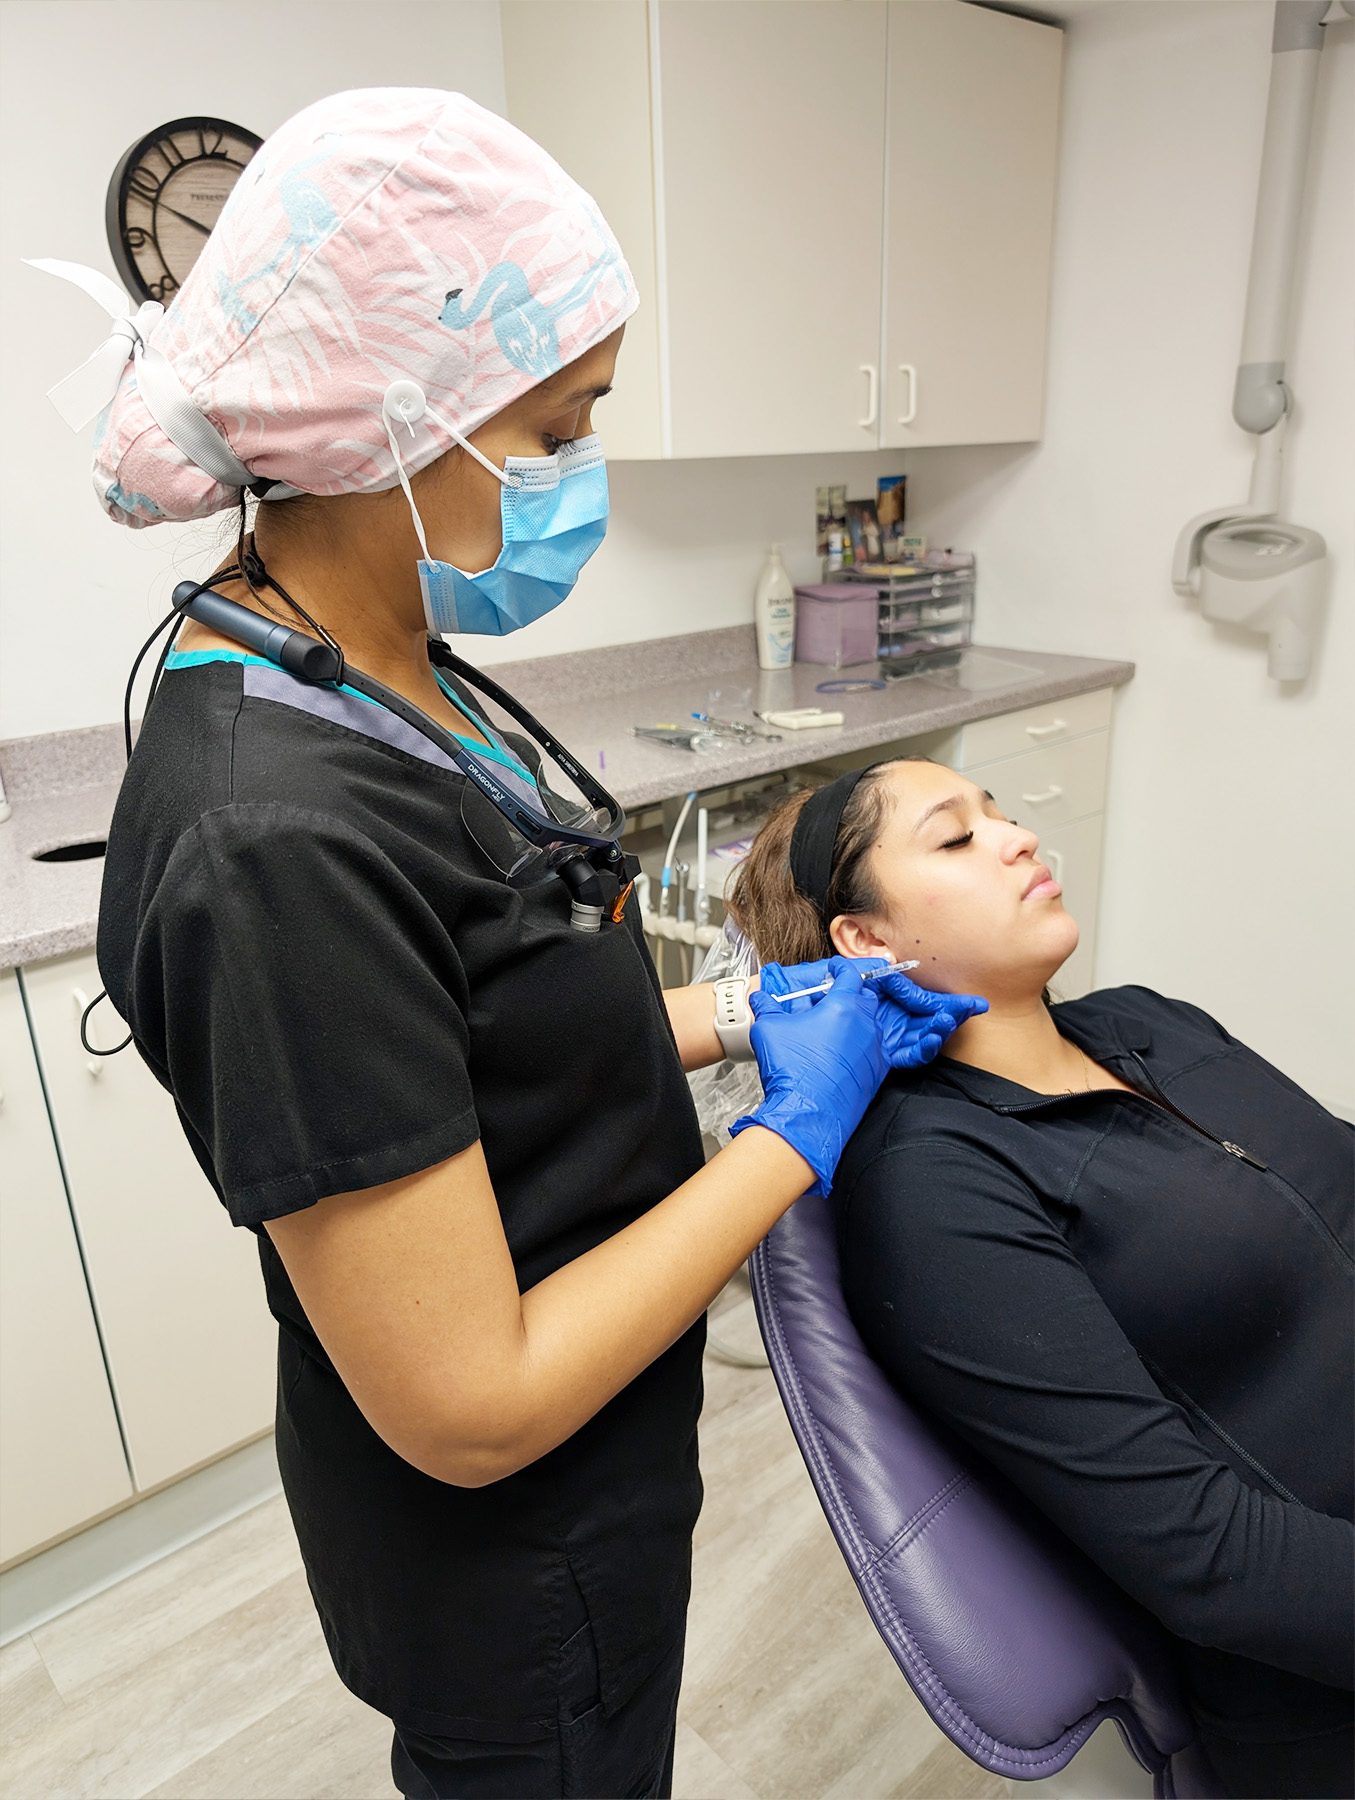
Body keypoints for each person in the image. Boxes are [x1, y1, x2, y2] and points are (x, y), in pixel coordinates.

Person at [41, 89, 986, 1800]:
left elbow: (490, 1001)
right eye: (558, 427)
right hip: (508, 1541)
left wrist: (736, 1012)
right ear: (403, 417)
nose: (572, 477)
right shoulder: (272, 840)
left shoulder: (376, 658)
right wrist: (794, 1137)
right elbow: (467, 1400)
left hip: (601, 1462)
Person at [726, 757, 1354, 1800]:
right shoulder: (933, 1188)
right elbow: (1205, 1558)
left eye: (1001, 815)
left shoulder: (1147, 1023)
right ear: (866, 940)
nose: (1015, 837)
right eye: (954, 837)